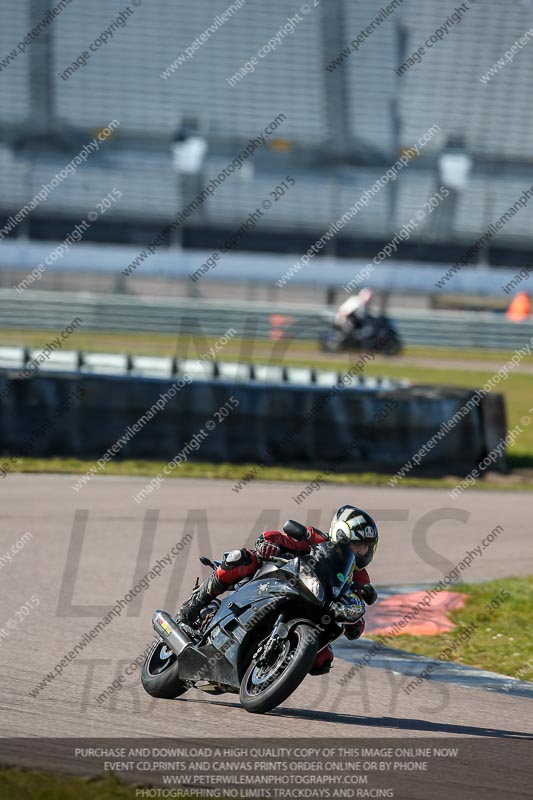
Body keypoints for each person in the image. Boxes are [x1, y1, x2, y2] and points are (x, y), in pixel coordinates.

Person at [177, 504, 379, 676]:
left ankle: (272, 668)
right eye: (356, 545)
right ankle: (196, 603)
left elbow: (356, 604)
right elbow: (284, 538)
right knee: (241, 558)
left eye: (365, 548)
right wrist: (269, 543)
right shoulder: (318, 540)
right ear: (340, 535)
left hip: (315, 610)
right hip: (282, 579)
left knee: (322, 661)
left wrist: (354, 622)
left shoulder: (361, 578)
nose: (361, 552)